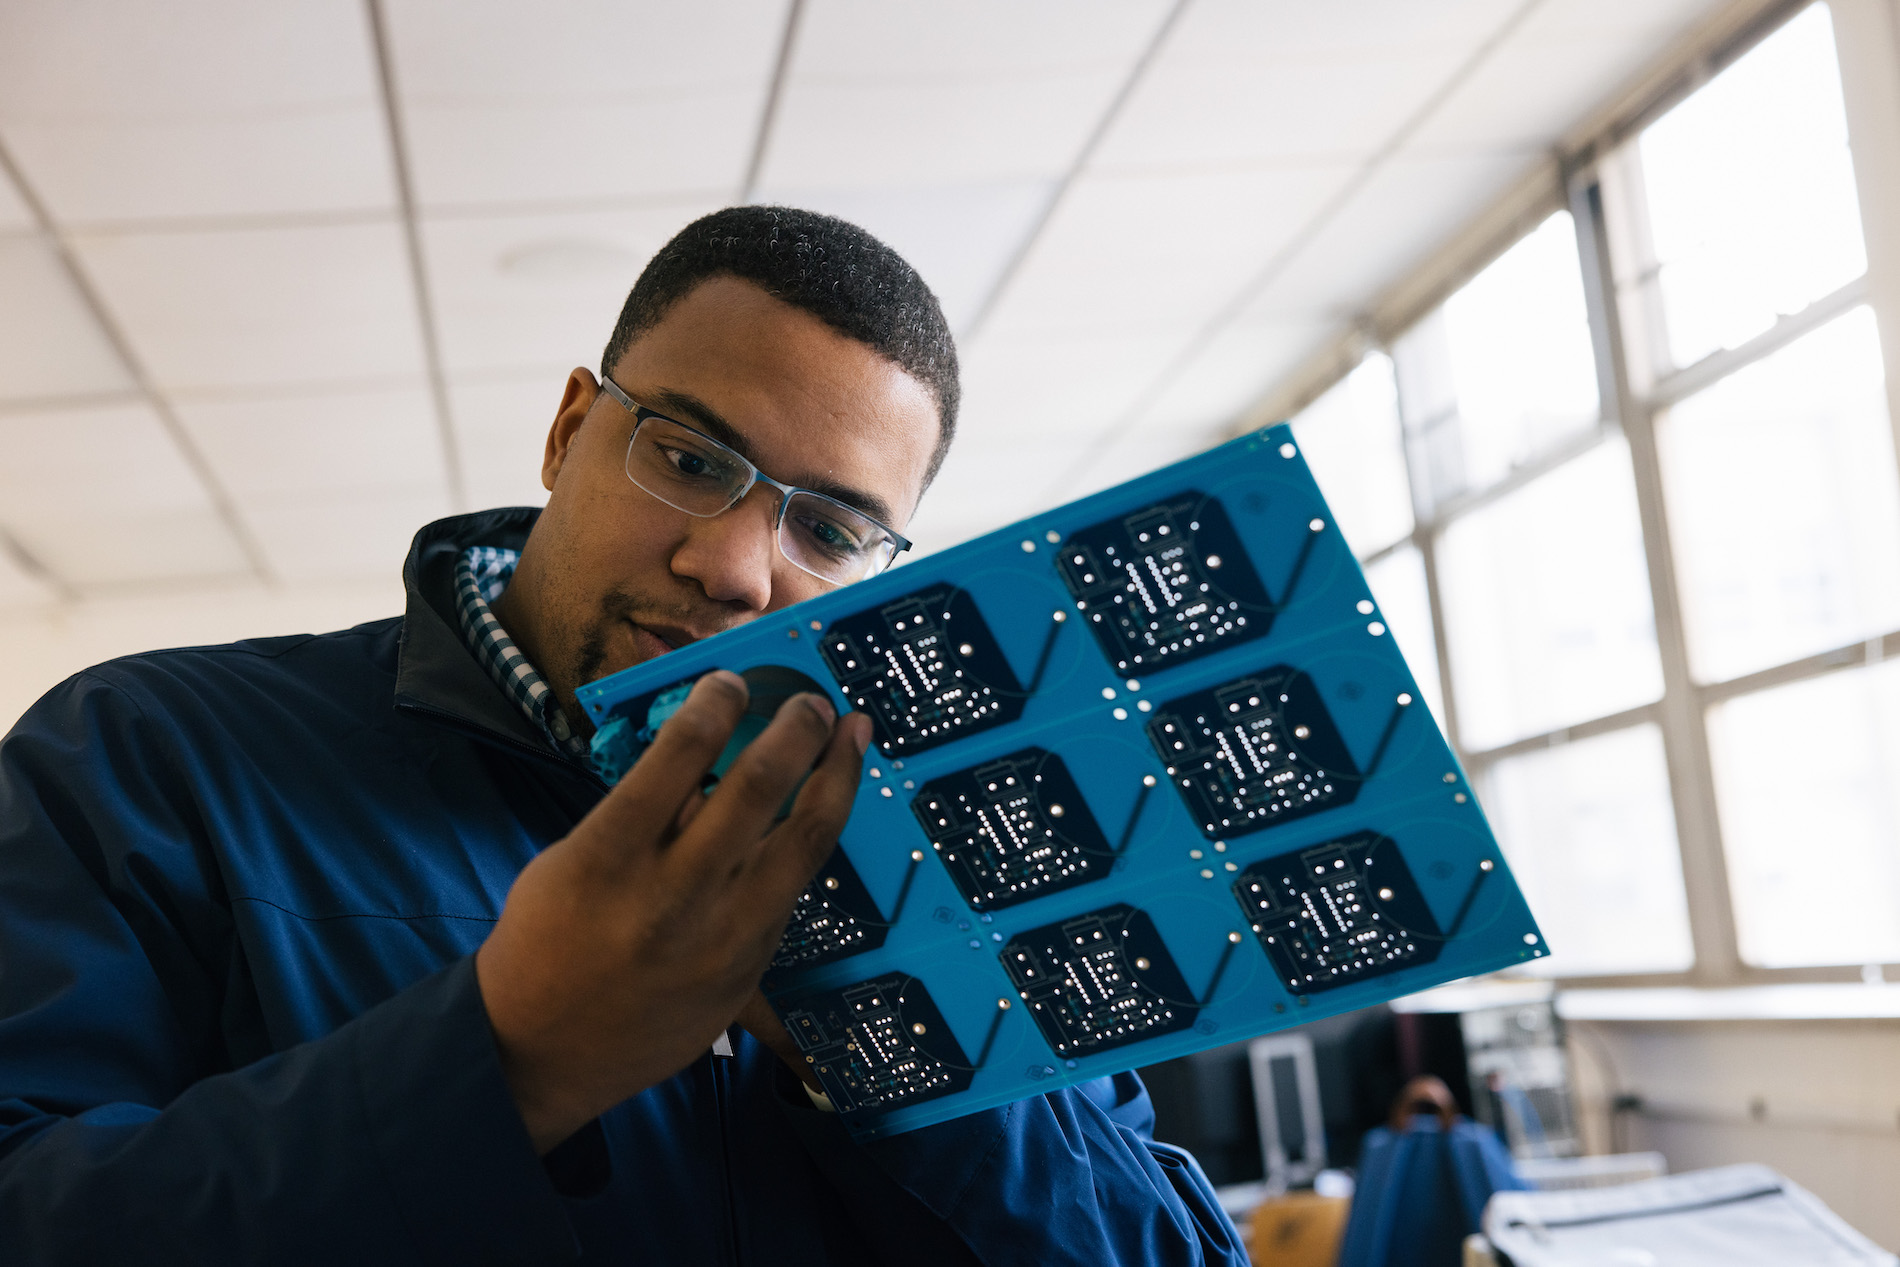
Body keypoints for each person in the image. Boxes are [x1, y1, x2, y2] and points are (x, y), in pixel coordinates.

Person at [0, 206, 1244, 1265]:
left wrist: (893, 1052)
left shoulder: (941, 866)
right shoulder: (147, 753)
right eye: (695, 462)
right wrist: (506, 1057)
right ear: (567, 431)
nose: (737, 571)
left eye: (830, 532)